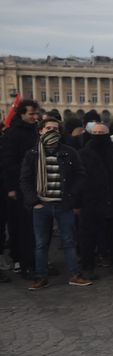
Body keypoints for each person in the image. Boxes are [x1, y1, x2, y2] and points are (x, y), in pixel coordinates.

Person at [20, 119, 91, 289]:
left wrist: (72, 195)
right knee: (41, 244)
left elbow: (80, 175)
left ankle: (75, 275)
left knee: (69, 241)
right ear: (41, 131)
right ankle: (41, 277)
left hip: (63, 204)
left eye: (55, 129)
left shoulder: (69, 152)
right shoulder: (33, 153)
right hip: (41, 205)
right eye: (48, 128)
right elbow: (25, 179)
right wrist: (34, 201)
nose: (52, 131)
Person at [77, 122, 113, 279]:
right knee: (88, 236)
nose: (98, 137)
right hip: (91, 201)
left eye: (101, 134)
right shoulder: (83, 154)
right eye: (95, 133)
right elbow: (78, 178)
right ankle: (87, 266)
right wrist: (80, 200)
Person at [2, 100, 41, 279]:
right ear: (21, 114)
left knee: (37, 226)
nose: (35, 116)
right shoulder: (12, 134)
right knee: (24, 226)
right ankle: (26, 264)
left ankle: (36, 260)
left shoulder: (35, 131)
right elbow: (7, 163)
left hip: (38, 184)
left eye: (36, 113)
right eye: (31, 114)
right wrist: (11, 187)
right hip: (21, 186)